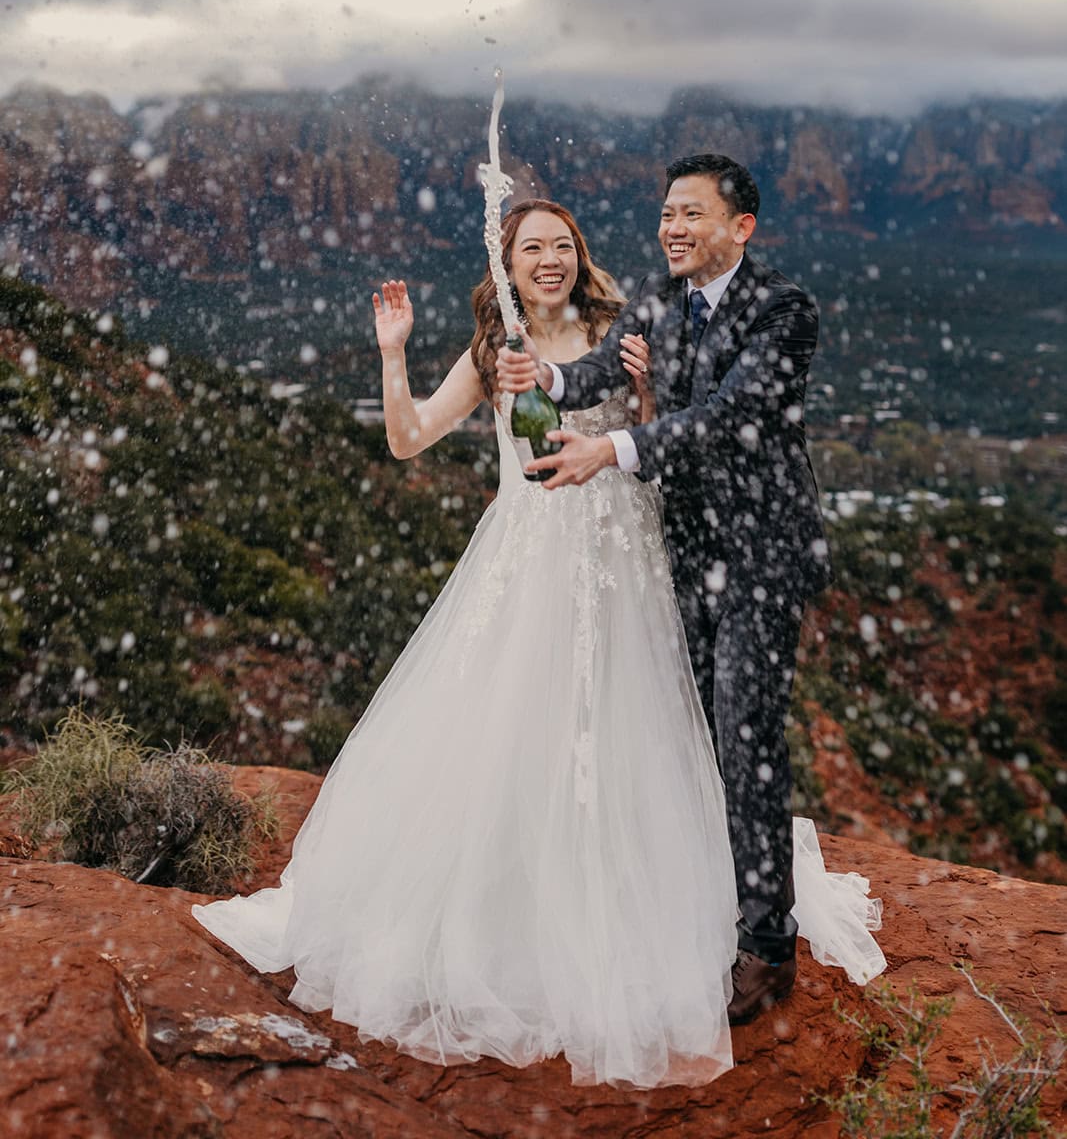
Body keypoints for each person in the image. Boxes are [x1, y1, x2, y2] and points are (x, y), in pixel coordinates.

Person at [192, 195, 883, 1090]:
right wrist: (394, 349)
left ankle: (698, 914)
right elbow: (407, 441)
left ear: (579, 255)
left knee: (646, 726)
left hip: (629, 565)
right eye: (531, 250)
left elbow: (666, 426)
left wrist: (642, 390)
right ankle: (524, 916)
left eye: (562, 246)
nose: (549, 261)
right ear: (507, 266)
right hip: (533, 566)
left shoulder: (623, 326)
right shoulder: (493, 355)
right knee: (523, 730)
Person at [496, 154, 835, 1026]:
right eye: (664, 213)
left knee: (745, 729)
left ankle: (766, 946)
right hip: (685, 552)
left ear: (740, 228)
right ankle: (715, 901)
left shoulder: (783, 312)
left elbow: (732, 416)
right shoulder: (659, 297)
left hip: (761, 553)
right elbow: (601, 369)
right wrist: (548, 380)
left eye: (689, 214)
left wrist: (608, 451)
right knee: (699, 730)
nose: (671, 228)